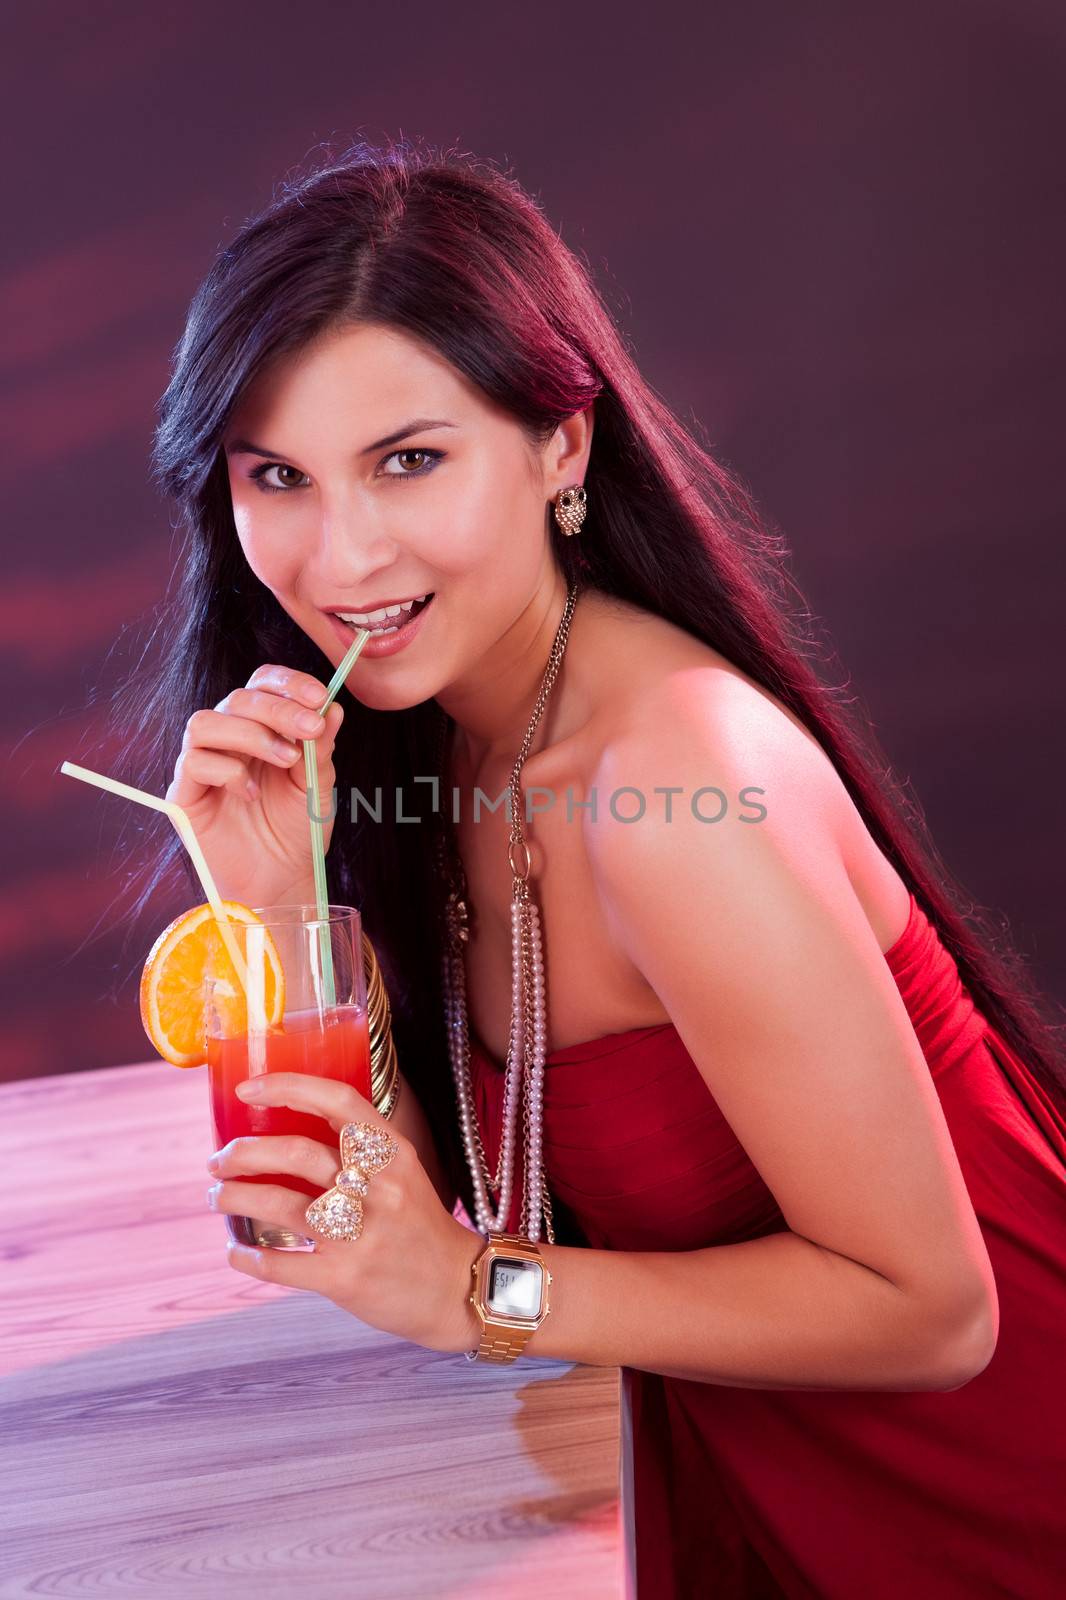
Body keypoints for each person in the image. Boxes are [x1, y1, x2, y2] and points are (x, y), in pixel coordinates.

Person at [108, 139, 1066, 1598]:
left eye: (409, 460)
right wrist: (285, 918)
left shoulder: (673, 788)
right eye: (277, 477)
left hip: (989, 1494)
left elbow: (936, 1317)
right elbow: (365, 1219)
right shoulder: (425, 745)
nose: (340, 551)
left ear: (563, 448)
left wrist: (476, 1295)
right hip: (723, 1452)